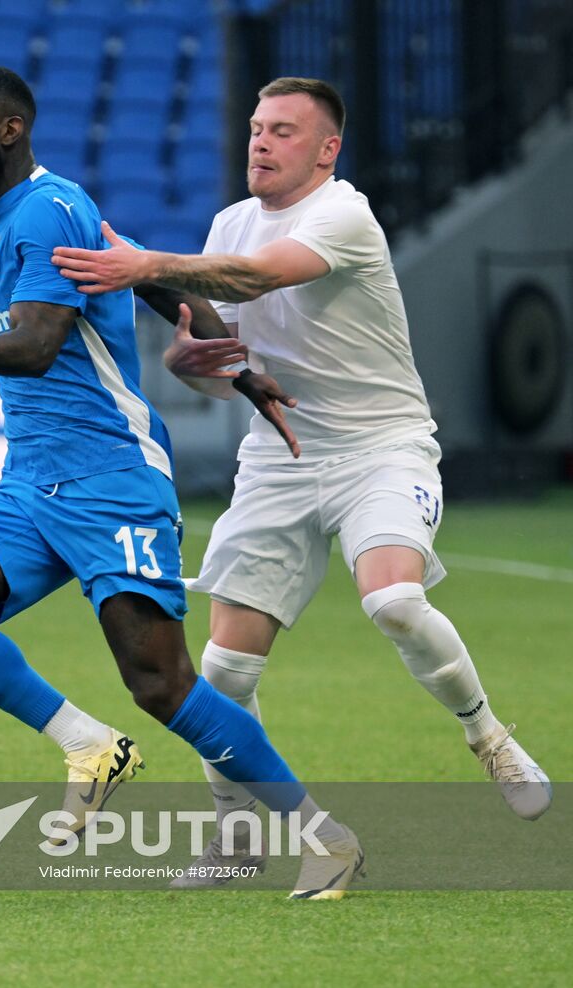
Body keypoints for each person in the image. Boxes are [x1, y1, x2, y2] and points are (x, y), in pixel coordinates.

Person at [0, 65, 364, 900]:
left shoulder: (46, 204)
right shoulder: (23, 213)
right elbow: (141, 275)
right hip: (33, 484)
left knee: (161, 686)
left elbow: (36, 346)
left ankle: (324, 838)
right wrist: (232, 365)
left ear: (9, 129)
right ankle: (89, 744)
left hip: (110, 483)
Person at [49, 76, 551, 886]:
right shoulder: (230, 224)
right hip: (281, 456)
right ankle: (237, 837)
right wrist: (189, 362)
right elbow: (233, 369)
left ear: (326, 150)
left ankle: (488, 736)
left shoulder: (341, 215)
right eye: (255, 127)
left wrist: (147, 264)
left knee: (392, 600)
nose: (260, 141)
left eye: (283, 130)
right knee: (220, 673)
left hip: (382, 450)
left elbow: (253, 278)